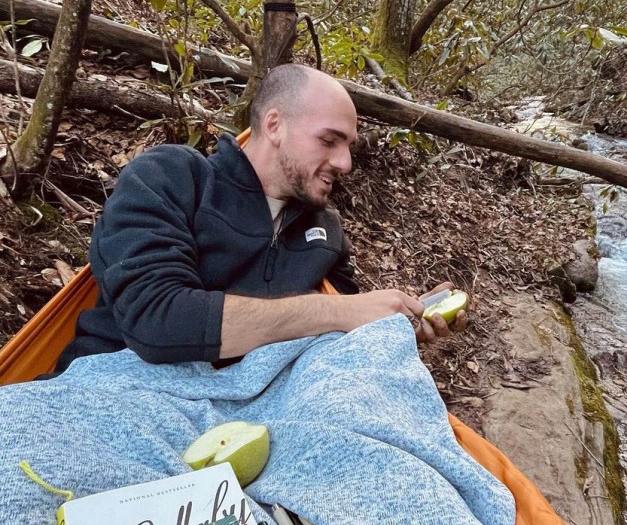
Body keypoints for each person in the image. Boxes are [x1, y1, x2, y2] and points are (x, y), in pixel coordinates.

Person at [53, 64, 465, 374]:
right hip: (114, 385)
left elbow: (333, 343)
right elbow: (156, 320)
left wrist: (391, 325)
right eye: (329, 140)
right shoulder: (171, 177)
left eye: (349, 146)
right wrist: (338, 312)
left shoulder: (327, 233)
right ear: (274, 125)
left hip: (249, 413)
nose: (345, 162)